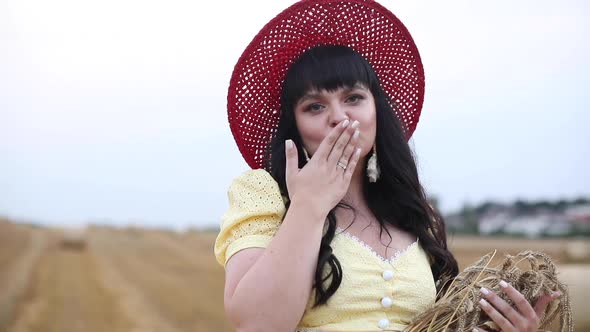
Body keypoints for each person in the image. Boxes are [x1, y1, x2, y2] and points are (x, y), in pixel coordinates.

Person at [214, 1, 558, 331]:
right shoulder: (263, 192)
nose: (339, 117)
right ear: (294, 126)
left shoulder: (412, 209)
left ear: (376, 112)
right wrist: (307, 207)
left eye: (353, 98)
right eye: (315, 106)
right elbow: (258, 323)